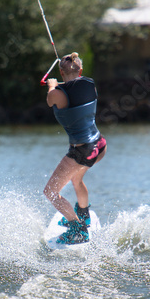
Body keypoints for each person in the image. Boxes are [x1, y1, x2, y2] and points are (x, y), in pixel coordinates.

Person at [44, 52, 107, 244]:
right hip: (100, 144)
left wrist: (52, 84)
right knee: (76, 179)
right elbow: (74, 90)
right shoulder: (90, 86)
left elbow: (50, 100)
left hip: (81, 150)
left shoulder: (56, 93)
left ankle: (77, 228)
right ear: (80, 71)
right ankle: (84, 214)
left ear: (61, 74)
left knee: (50, 192)